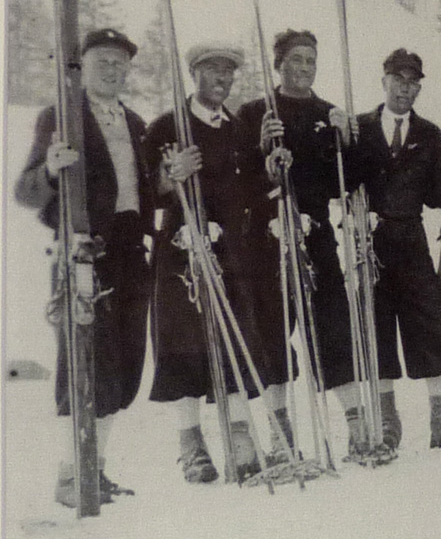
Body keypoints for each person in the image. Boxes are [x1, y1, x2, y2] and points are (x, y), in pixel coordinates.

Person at [16, 28, 153, 507]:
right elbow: (25, 191)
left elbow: (146, 190)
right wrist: (52, 169)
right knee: (85, 364)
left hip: (132, 253)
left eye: (120, 63)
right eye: (103, 62)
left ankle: (94, 469)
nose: (112, 71)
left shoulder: (136, 122)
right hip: (84, 253)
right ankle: (72, 474)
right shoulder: (61, 117)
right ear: (82, 67)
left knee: (124, 365)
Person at [143, 42, 277, 482]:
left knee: (235, 341)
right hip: (180, 250)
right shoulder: (167, 126)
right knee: (183, 346)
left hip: (230, 250)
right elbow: (146, 197)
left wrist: (275, 171)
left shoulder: (240, 129)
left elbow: (255, 190)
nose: (222, 80)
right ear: (194, 74)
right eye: (212, 71)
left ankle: (239, 436)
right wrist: (170, 177)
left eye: (228, 72)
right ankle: (192, 443)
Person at [237, 30, 373, 461]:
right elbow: (239, 180)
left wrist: (345, 143)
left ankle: (358, 428)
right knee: (276, 332)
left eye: (311, 59)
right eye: (296, 59)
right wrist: (263, 156)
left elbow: (346, 183)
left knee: (332, 326)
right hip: (268, 236)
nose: (305, 67)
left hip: (315, 236)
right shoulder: (255, 112)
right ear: (279, 64)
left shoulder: (327, 113)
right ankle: (281, 435)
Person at [350, 48, 441, 450]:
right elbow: (344, 182)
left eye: (413, 81)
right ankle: (387, 422)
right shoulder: (360, 129)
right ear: (384, 81)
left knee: (432, 328)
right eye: (398, 80)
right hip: (373, 240)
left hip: (412, 238)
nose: (406, 88)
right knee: (377, 327)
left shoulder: (431, 134)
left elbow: (440, 197)